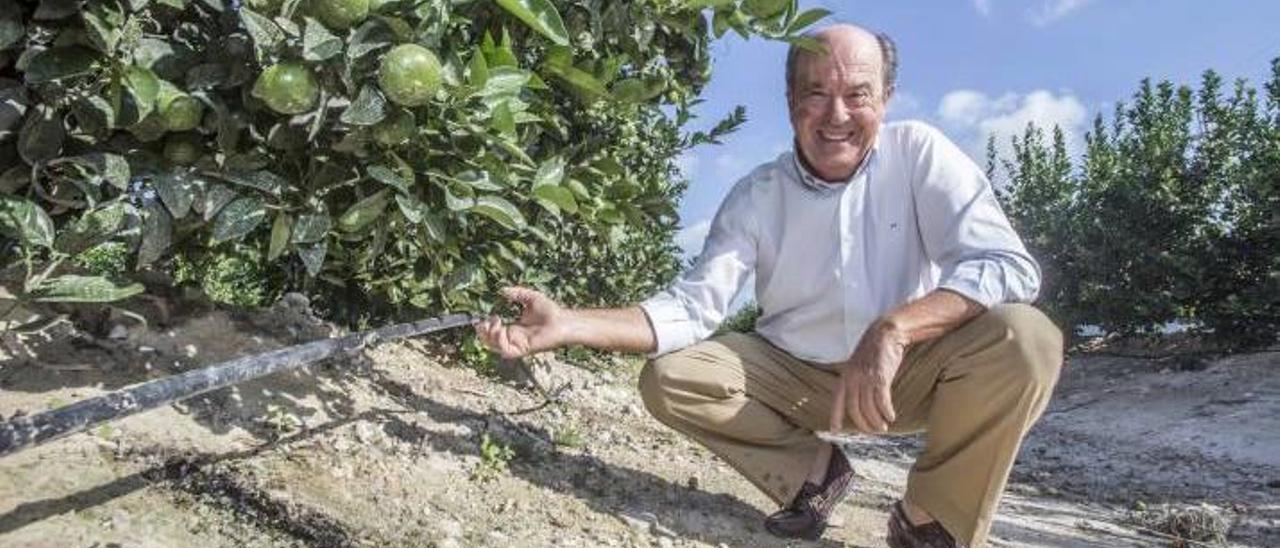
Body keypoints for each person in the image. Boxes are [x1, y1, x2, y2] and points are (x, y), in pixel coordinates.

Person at [474, 23, 1063, 548]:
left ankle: (932, 523)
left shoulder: (921, 154)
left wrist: (895, 328)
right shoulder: (756, 196)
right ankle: (815, 474)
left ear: (885, 99)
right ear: (790, 102)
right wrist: (569, 323)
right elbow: (691, 308)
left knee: (1027, 338)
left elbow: (1008, 264)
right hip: (798, 379)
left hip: (906, 372)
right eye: (817, 94)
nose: (837, 115)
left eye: (858, 95)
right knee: (673, 376)